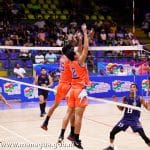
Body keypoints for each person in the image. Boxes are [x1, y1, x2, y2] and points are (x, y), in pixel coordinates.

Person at [58, 23, 89, 149]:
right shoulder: (79, 61)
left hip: (71, 91)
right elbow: (85, 48)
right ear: (75, 55)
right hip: (80, 91)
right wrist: (85, 32)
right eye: (76, 52)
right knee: (78, 117)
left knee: (69, 113)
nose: (78, 52)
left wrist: (79, 40)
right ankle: (76, 139)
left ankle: (63, 134)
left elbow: (79, 49)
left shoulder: (69, 62)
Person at [104, 83, 150, 150]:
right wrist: (116, 102)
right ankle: (111, 146)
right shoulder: (125, 98)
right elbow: (121, 109)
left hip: (134, 120)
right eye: (131, 87)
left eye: (134, 87)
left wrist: (148, 105)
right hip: (125, 119)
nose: (132, 88)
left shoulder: (140, 98)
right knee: (112, 132)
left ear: (136, 89)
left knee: (144, 136)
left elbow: (148, 109)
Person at [41, 44, 72, 130]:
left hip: (60, 84)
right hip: (68, 86)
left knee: (55, 105)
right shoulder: (70, 59)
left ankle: (45, 122)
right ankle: (70, 132)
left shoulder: (62, 58)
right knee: (70, 109)